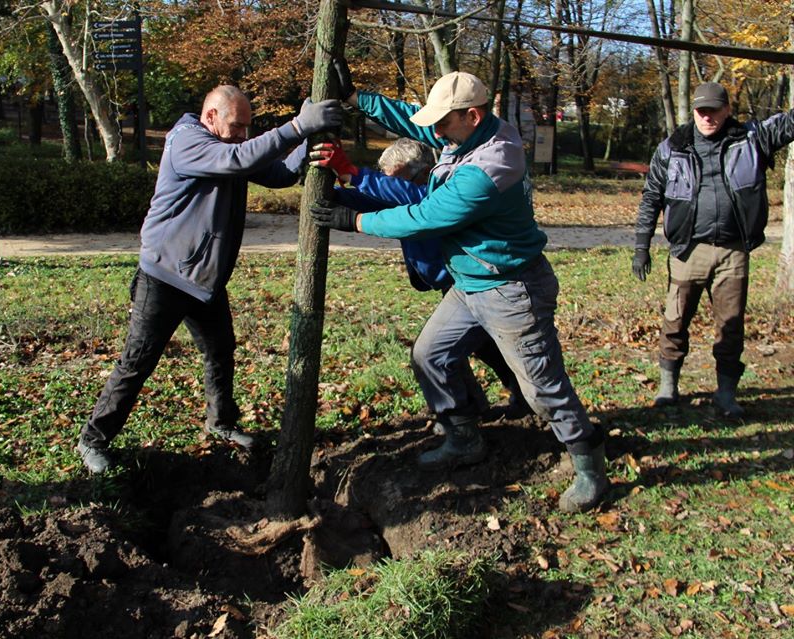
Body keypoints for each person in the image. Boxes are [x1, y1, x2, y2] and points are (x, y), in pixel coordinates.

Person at [311, 60, 607, 513]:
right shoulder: (471, 130)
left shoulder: (489, 167)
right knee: (430, 355)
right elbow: (412, 117)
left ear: (471, 115)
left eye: (444, 123)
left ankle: (589, 465)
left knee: (542, 388)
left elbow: (424, 217)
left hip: (510, 289)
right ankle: (464, 438)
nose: (438, 132)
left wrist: (355, 220)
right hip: (469, 284)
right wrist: (357, 99)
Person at [76, 86, 345, 473]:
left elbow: (280, 172)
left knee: (220, 350)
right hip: (165, 275)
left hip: (205, 280)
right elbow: (236, 159)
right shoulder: (188, 142)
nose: (243, 135)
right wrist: (298, 125)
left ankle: (220, 423)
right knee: (138, 361)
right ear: (210, 117)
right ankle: (93, 440)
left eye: (248, 128)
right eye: (237, 126)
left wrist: (308, 138)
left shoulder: (231, 146)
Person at [312, 137, 531, 420]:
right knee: (472, 347)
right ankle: (481, 403)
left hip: (473, 283)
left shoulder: (437, 190)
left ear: (420, 171)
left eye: (394, 177)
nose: (389, 183)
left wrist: (354, 174)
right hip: (453, 286)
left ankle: (502, 404)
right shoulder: (404, 190)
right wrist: (336, 196)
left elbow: (408, 196)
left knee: (461, 348)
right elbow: (377, 199)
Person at [633, 82, 794, 417]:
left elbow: (789, 123)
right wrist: (641, 247)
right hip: (687, 252)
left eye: (714, 110)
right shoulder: (672, 148)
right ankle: (668, 386)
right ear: (693, 111)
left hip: (732, 252)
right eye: (701, 110)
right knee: (675, 321)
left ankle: (725, 394)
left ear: (727, 110)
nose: (707, 117)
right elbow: (651, 198)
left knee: (731, 325)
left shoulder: (751, 139)